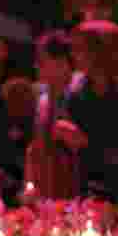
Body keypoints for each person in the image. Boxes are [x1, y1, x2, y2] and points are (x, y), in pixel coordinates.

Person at [60, 20, 118, 203]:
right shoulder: (77, 93)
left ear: (100, 53)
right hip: (88, 190)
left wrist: (85, 143)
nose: (73, 55)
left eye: (80, 49)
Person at [23, 31, 81, 200]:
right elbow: (35, 148)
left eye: (42, 61)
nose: (36, 66)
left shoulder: (81, 96)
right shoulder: (43, 100)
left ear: (62, 63)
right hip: (48, 197)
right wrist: (30, 185)